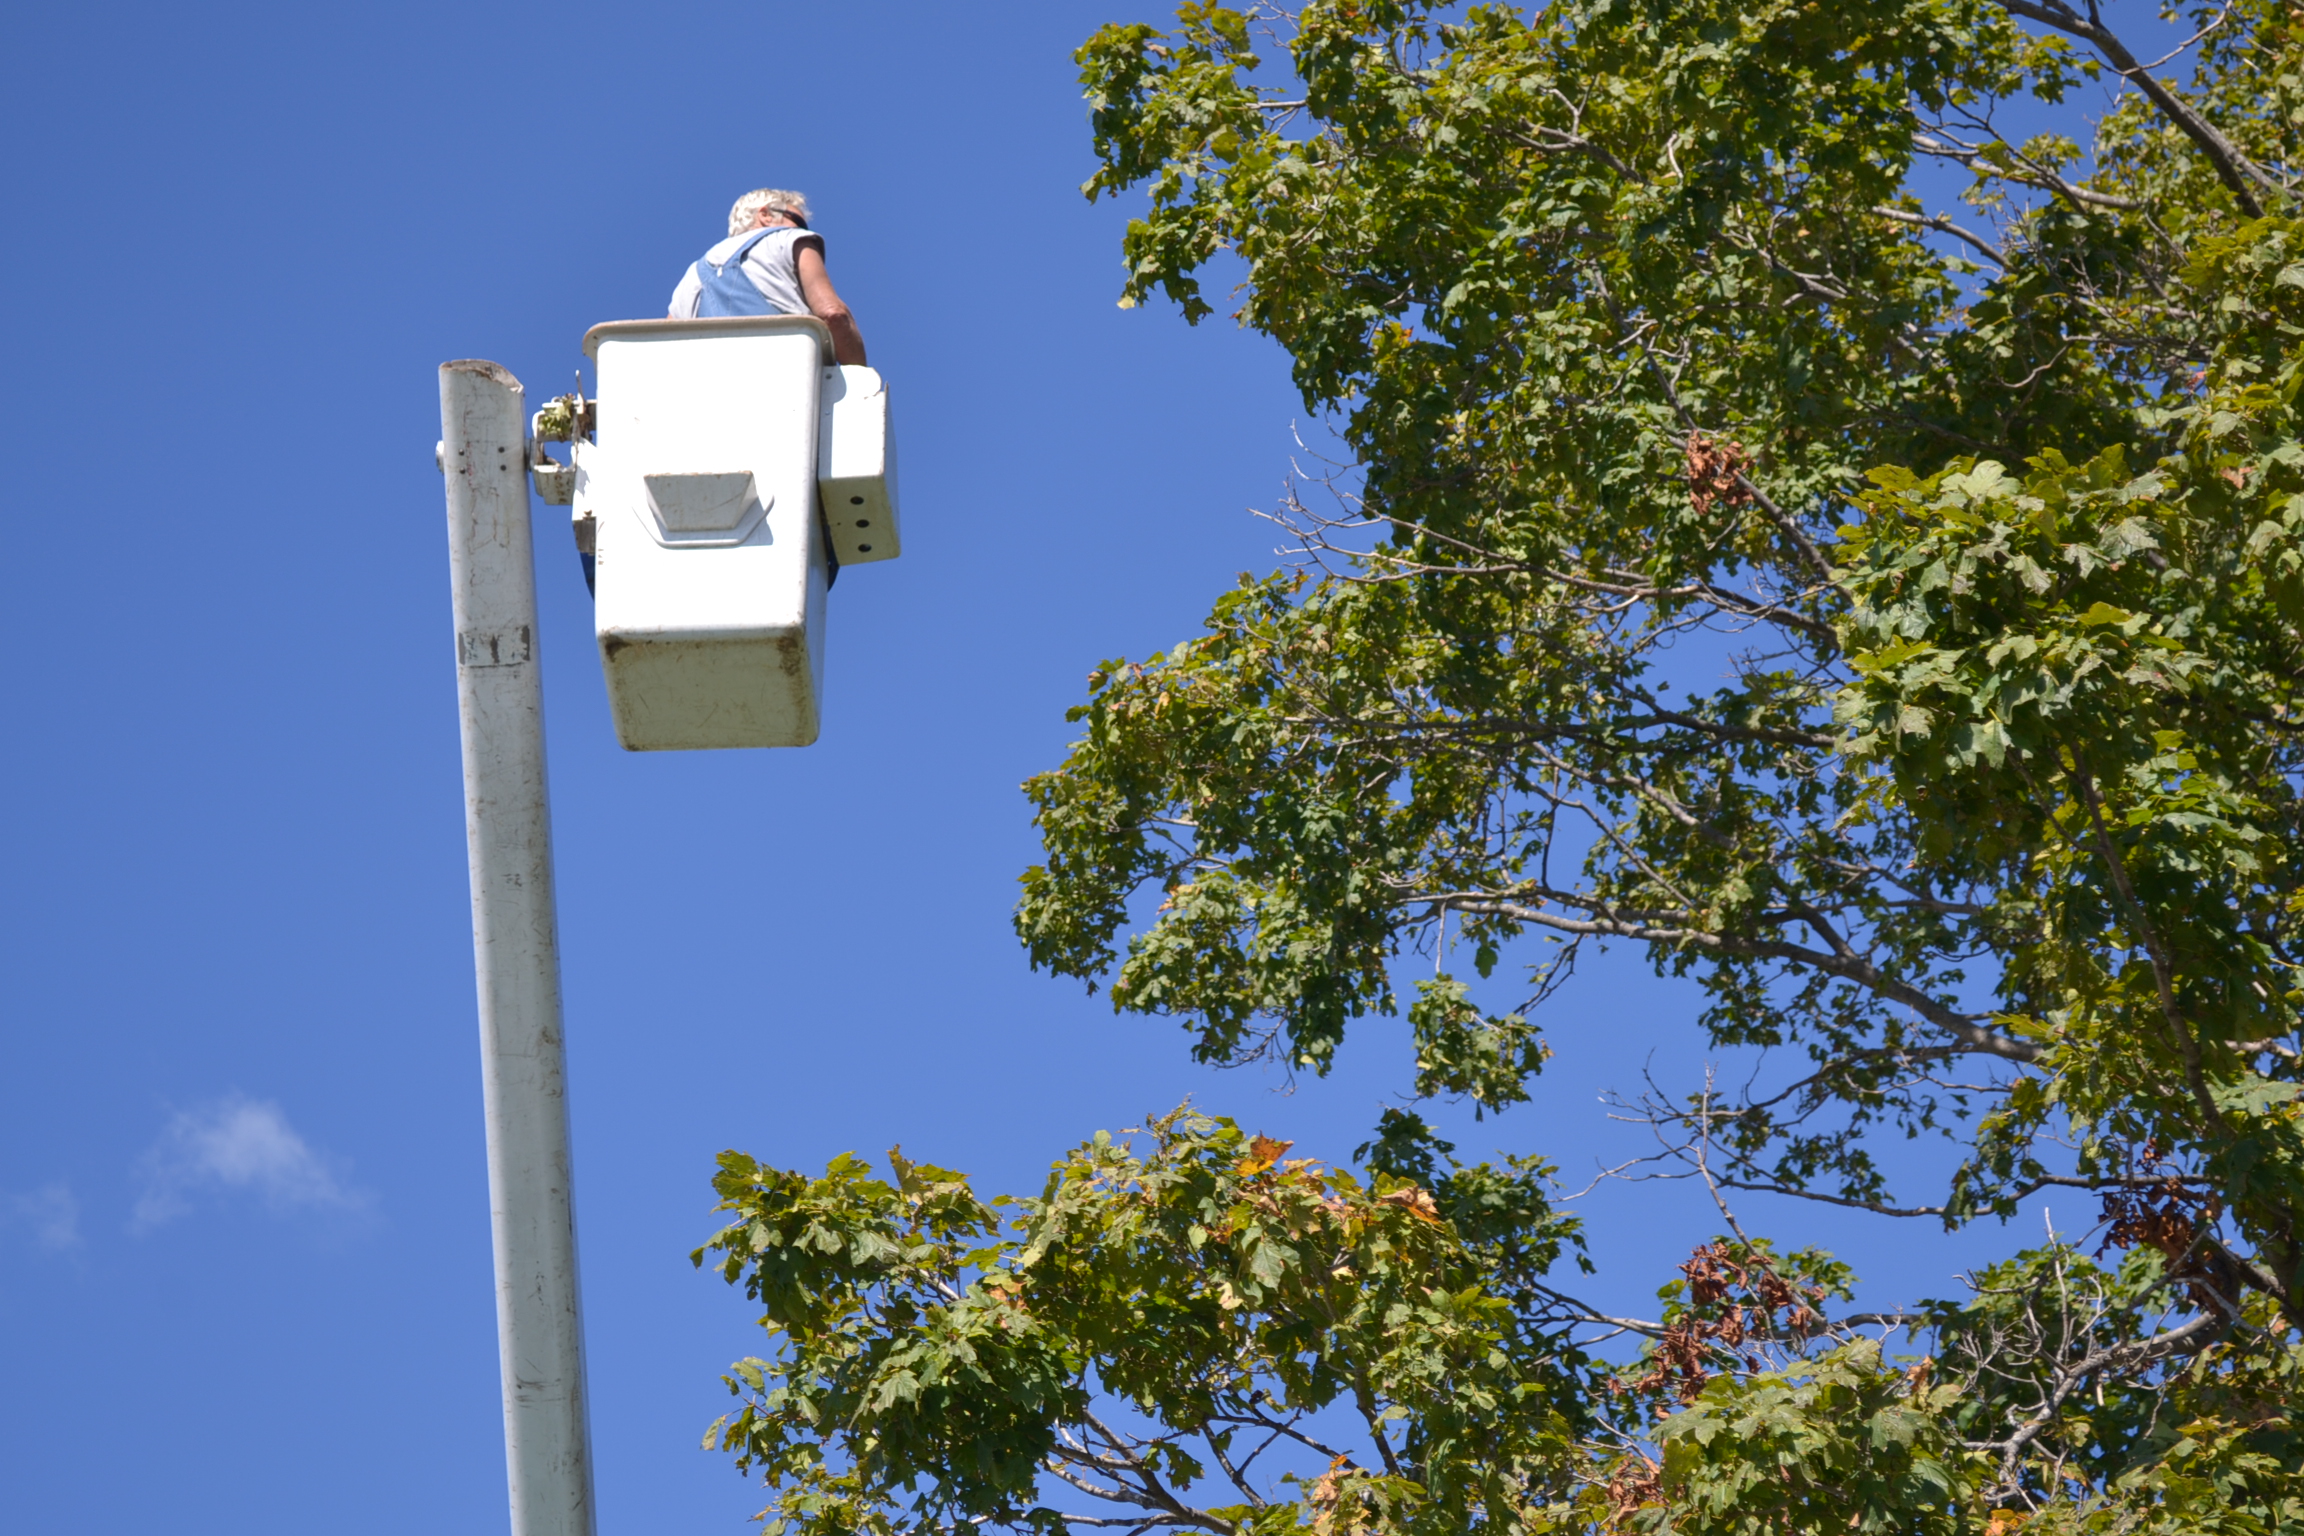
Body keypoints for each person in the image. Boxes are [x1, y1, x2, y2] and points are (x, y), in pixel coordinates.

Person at [668, 189, 867, 366]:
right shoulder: (788, 239)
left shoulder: (691, 276)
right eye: (798, 222)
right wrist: (860, 383)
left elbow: (663, 349)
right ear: (765, 215)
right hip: (786, 380)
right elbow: (832, 313)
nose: (801, 230)